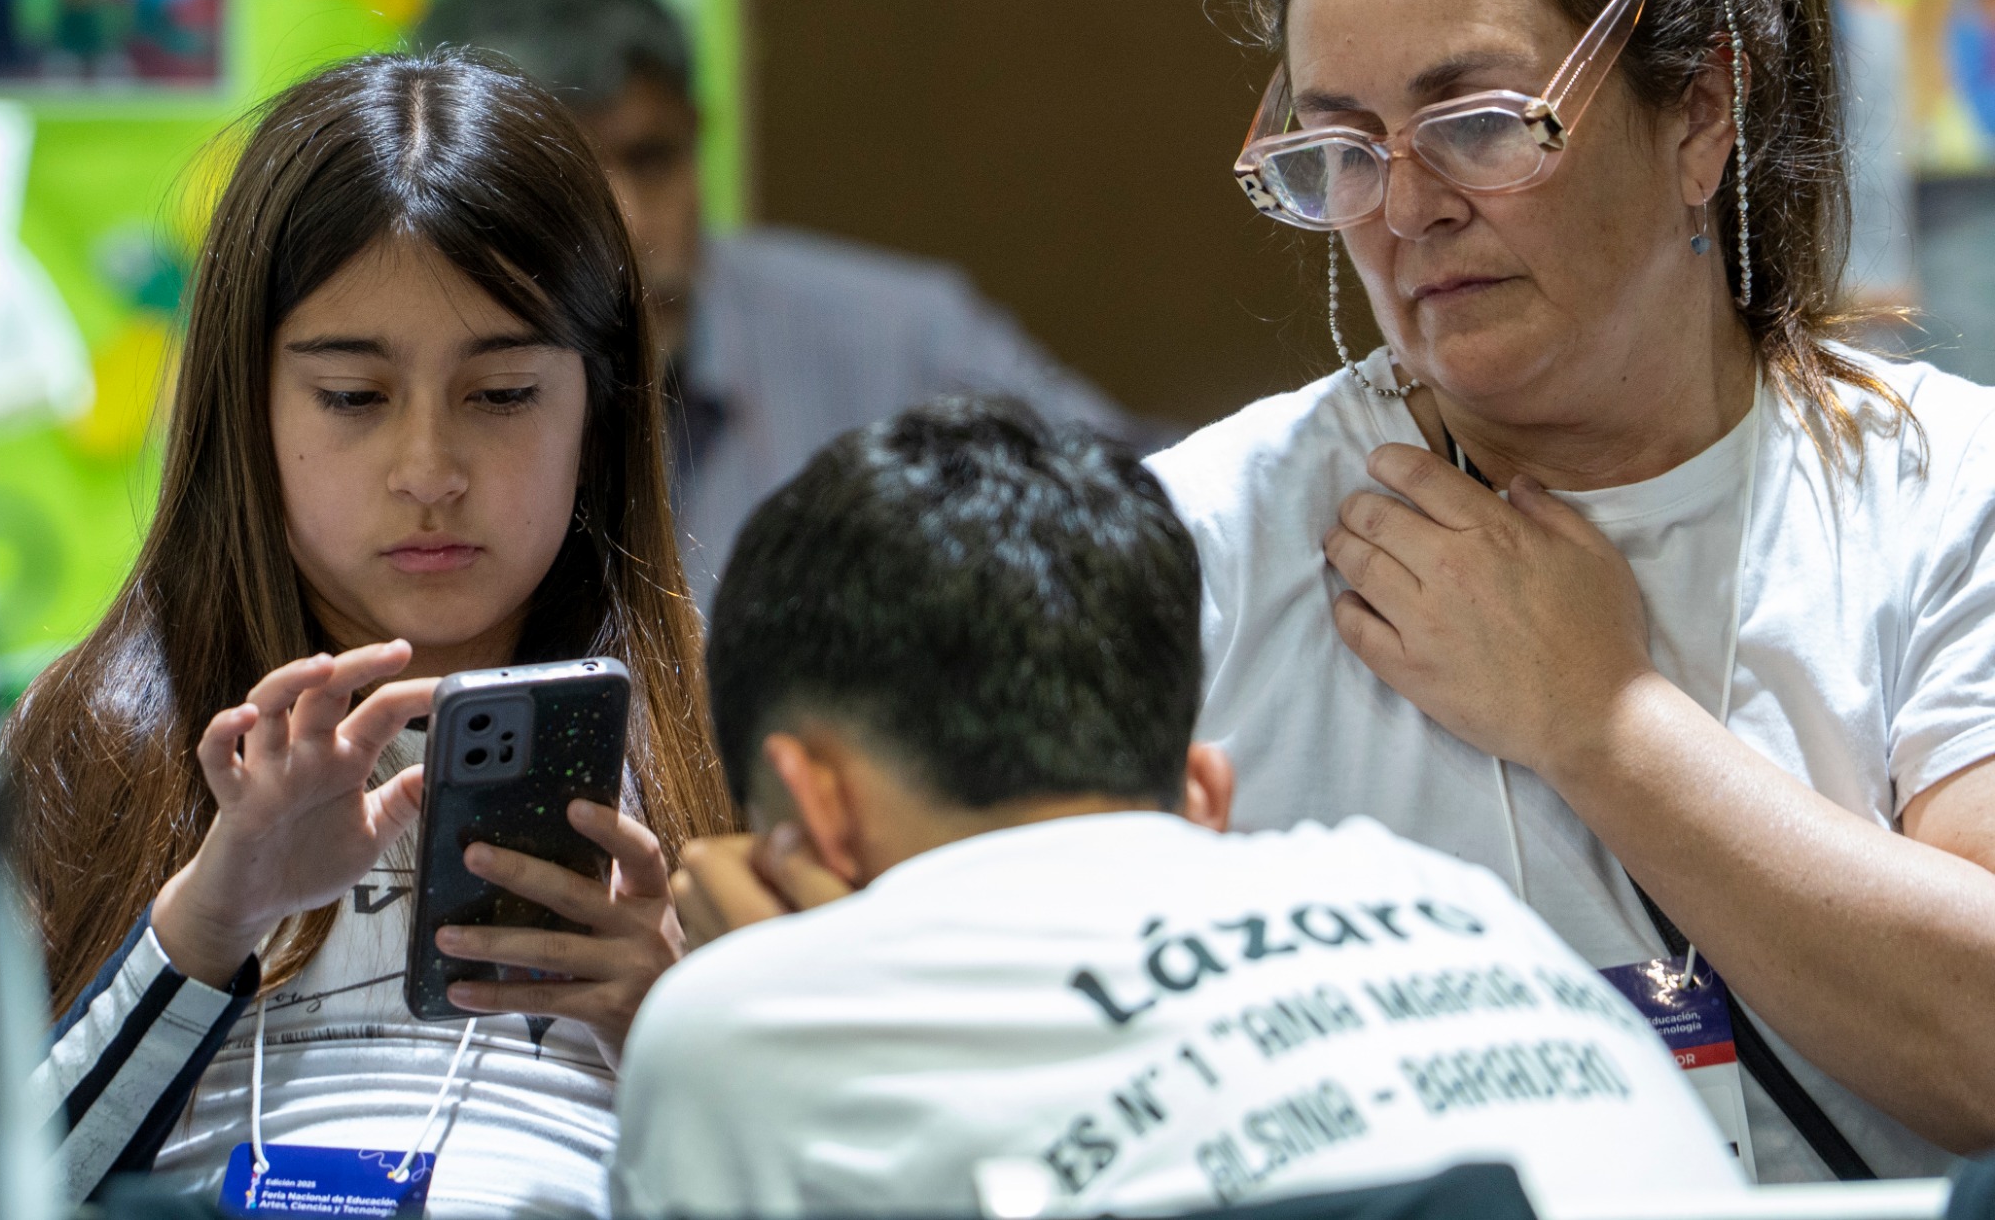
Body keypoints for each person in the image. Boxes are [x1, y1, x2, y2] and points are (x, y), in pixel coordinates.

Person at [1149, 0, 1995, 1183]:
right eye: (1340, 150)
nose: (1403, 213)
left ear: (1700, 112)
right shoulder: (1212, 537)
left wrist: (1604, 720)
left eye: (1477, 123)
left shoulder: (1941, 491)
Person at [611, 397, 1741, 1217]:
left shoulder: (745, 1023)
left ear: (816, 807)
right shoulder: (1454, 904)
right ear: (1203, 791)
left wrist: (779, 985)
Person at [0, 54, 735, 1214]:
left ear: (597, 403)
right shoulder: (94, 733)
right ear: (247, 406)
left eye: (500, 396)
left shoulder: (717, 741)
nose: (429, 471)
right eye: (352, 396)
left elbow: (839, 1177)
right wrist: (210, 915)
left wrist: (668, 1018)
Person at [413, 0, 1165, 602]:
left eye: (654, 157)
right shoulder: (402, 387)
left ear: (697, 134)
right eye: (568, 181)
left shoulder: (898, 338)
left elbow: (1158, 510)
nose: (633, 223)